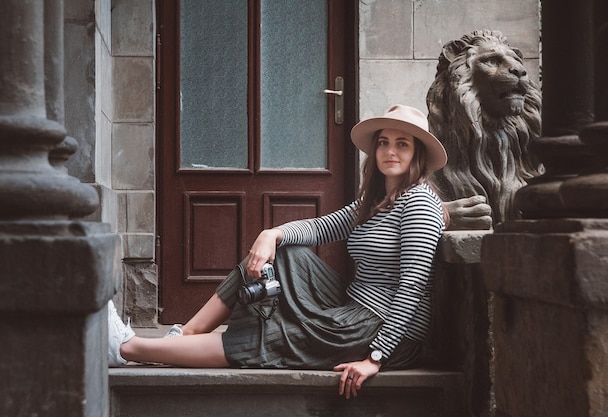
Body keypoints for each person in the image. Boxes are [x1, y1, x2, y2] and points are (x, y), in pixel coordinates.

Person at [108, 104, 449, 399]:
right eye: (384, 143)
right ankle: (187, 334)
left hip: (383, 330)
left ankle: (128, 349)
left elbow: (413, 288)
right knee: (284, 252)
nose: (391, 151)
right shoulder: (375, 202)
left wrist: (375, 358)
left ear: (417, 153)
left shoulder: (419, 202)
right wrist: (271, 234)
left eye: (402, 144)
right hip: (354, 306)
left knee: (276, 334)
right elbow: (321, 227)